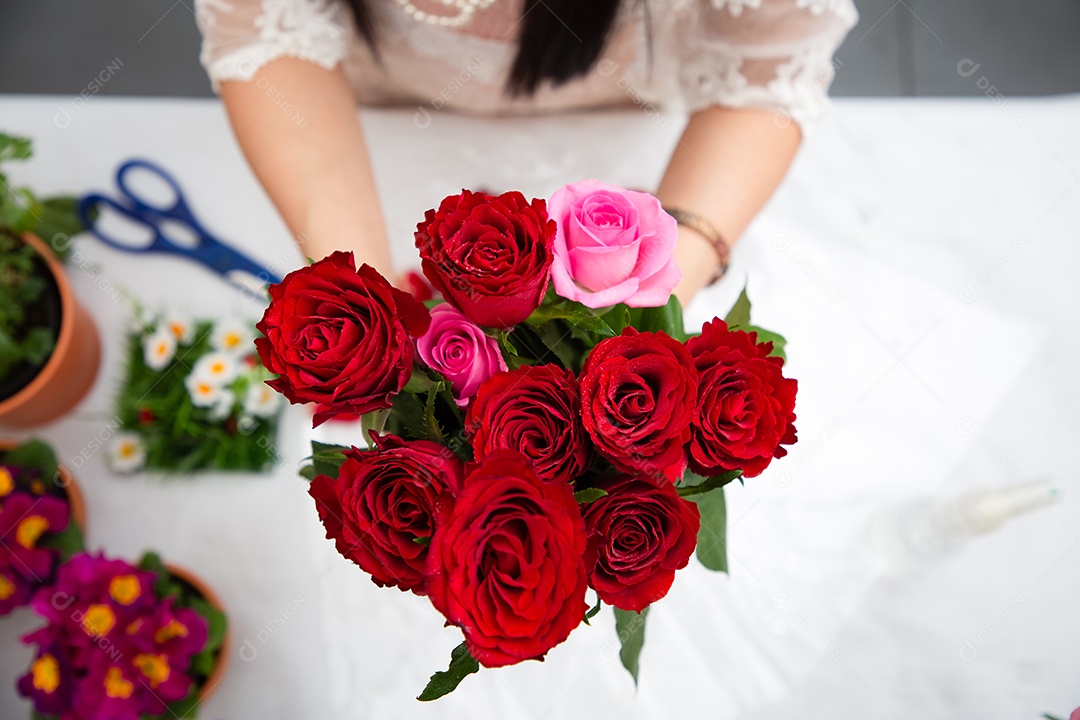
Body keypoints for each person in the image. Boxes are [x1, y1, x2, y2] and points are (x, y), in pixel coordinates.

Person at [195, 0, 856, 305]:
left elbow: (764, 77)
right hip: (383, 109)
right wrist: (367, 297)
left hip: (630, 107)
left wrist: (660, 287)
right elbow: (267, 34)